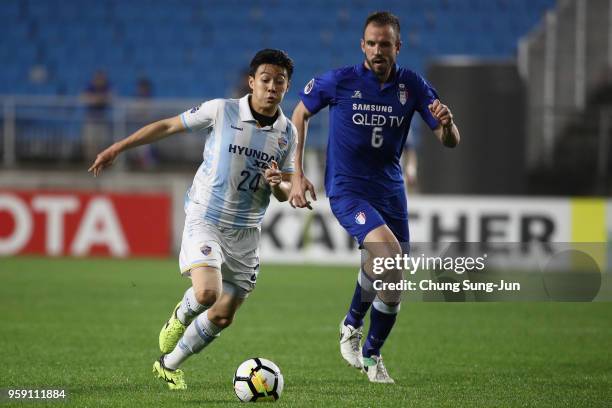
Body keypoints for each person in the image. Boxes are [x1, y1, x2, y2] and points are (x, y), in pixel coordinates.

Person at [88, 49, 297, 390]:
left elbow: (285, 191)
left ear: (287, 87)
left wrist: (279, 185)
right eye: (266, 80)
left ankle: (169, 365)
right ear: (251, 82)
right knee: (206, 293)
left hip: (247, 232)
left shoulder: (288, 134)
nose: (272, 87)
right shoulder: (222, 110)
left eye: (279, 82)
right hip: (207, 216)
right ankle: (180, 316)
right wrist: (118, 148)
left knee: (224, 315)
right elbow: (168, 125)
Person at [289, 11, 460, 383]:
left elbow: (450, 141)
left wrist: (447, 124)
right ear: (362, 45)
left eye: (385, 44)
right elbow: (299, 114)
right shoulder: (341, 81)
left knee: (390, 276)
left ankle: (352, 325)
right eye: (371, 43)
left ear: (398, 46)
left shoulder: (412, 85)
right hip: (348, 189)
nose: (378, 50)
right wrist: (297, 173)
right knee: (390, 258)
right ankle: (372, 355)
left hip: (390, 191)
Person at [81, 70, 113, 162]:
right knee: (90, 144)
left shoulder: (107, 87)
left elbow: (111, 97)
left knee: (102, 143)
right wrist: (98, 99)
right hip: (91, 120)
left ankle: (102, 163)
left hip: (102, 120)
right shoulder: (90, 86)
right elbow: (84, 97)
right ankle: (90, 162)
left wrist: (98, 99)